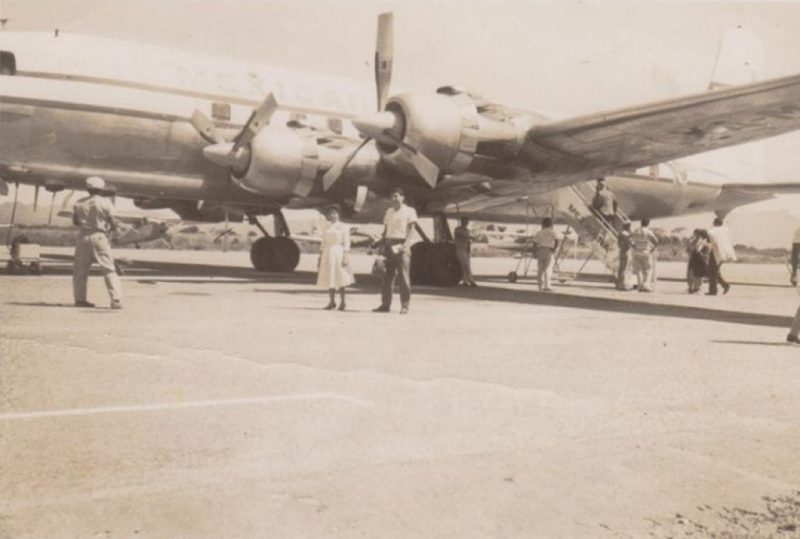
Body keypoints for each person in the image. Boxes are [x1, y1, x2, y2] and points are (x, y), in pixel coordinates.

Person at [72, 176, 123, 309]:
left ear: (87, 188)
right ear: (102, 189)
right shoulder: (106, 203)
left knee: (80, 270)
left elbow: (75, 222)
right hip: (99, 236)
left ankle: (80, 299)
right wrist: (111, 228)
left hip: (83, 236)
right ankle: (115, 299)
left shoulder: (79, 203)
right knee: (108, 269)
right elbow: (113, 222)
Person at [374, 188, 417, 314]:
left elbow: (412, 229)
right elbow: (386, 229)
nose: (394, 199)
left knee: (404, 276)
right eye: (392, 196)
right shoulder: (389, 211)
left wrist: (406, 244)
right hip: (388, 244)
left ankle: (405, 305)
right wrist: (381, 245)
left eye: (397, 196)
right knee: (387, 277)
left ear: (403, 197)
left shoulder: (410, 211)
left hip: (401, 244)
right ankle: (385, 305)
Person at [316, 206, 354, 311]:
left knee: (340, 277)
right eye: (330, 213)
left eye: (335, 213)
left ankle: (343, 302)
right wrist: (320, 256)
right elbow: (323, 242)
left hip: (338, 251)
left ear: (339, 215)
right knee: (330, 276)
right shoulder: (326, 226)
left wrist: (346, 255)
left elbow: (347, 241)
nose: (332, 215)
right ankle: (331, 301)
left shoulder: (343, 226)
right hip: (328, 252)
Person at [706, 217, 736, 295]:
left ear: (716, 224)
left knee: (712, 271)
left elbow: (710, 240)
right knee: (715, 271)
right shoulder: (725, 231)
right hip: (723, 253)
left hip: (716, 253)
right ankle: (722, 286)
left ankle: (716, 289)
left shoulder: (715, 232)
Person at [630, 218, 659, 292]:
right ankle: (646, 285)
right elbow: (656, 241)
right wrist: (652, 249)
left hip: (636, 252)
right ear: (648, 223)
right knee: (648, 269)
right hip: (645, 252)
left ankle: (639, 286)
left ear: (641, 223)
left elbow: (628, 238)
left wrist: (633, 246)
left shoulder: (636, 230)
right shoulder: (648, 231)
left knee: (638, 270)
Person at [532, 218, 559, 291]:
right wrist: (554, 249)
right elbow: (557, 241)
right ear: (550, 224)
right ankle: (547, 286)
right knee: (547, 268)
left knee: (540, 268)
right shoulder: (552, 232)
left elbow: (534, 243)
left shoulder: (539, 232)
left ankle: (540, 286)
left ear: (543, 224)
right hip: (548, 250)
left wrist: (534, 253)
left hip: (540, 250)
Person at [453, 217, 477, 287]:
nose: (466, 223)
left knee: (466, 265)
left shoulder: (467, 230)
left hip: (465, 249)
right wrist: (470, 237)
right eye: (465, 221)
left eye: (467, 222)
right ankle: (470, 279)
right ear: (462, 222)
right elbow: (462, 236)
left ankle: (465, 281)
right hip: (459, 249)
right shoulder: (458, 229)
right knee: (465, 264)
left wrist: (468, 249)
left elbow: (467, 240)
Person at [686, 229, 710, 294]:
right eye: (695, 233)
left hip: (699, 259)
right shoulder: (693, 241)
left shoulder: (702, 241)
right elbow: (688, 250)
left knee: (697, 274)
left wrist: (690, 244)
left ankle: (696, 287)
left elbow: (699, 250)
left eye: (696, 233)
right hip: (693, 258)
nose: (695, 235)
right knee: (691, 273)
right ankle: (691, 287)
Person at [616, 222, 632, 290]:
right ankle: (623, 284)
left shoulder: (620, 234)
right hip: (626, 251)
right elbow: (629, 243)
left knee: (621, 269)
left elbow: (619, 244)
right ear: (628, 227)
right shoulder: (626, 234)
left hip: (621, 251)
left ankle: (619, 284)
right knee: (625, 269)